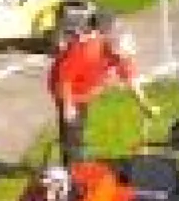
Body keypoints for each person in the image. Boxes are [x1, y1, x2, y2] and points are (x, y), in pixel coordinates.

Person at [47, 11, 159, 167]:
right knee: (72, 129)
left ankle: (76, 161)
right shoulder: (87, 51)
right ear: (111, 47)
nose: (119, 61)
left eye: (122, 58)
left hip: (85, 91)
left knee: (79, 126)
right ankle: (72, 170)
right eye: (118, 57)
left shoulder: (121, 56)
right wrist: (67, 105)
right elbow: (64, 78)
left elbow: (130, 78)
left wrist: (144, 103)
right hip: (67, 89)